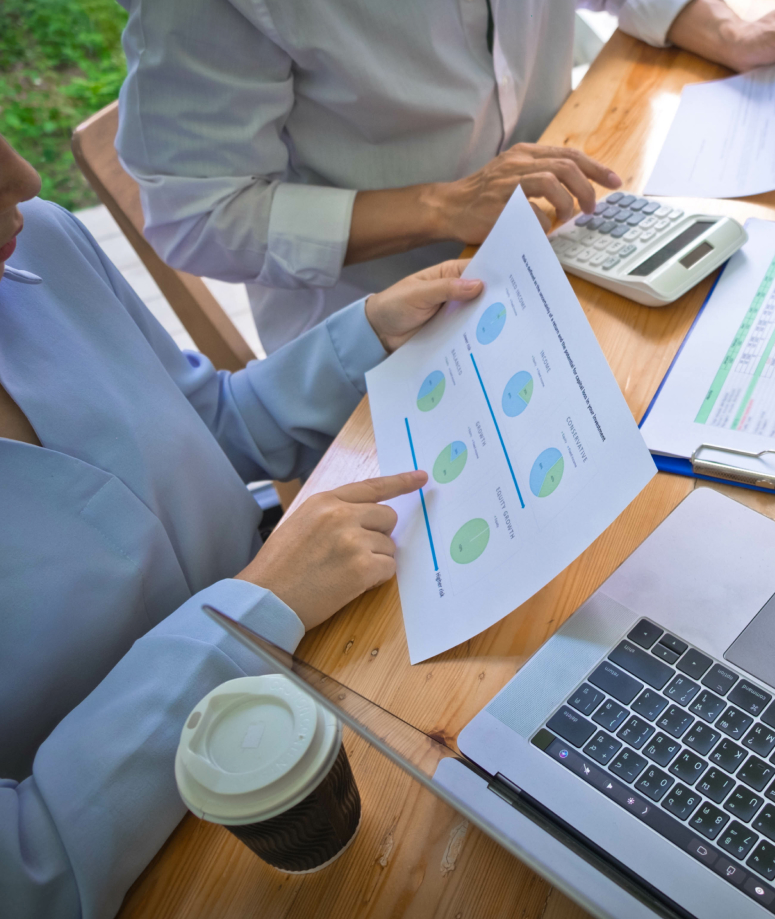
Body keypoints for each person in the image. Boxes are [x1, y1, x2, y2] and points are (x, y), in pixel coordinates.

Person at [0, 130, 485, 918]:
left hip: (330, 654)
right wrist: (254, 608)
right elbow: (30, 875)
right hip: (194, 854)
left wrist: (367, 335)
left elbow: (213, 423)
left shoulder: (42, 241)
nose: (24, 177)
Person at [101, 0, 775, 351]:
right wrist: (443, 206)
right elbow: (199, 215)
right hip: (386, 329)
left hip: (571, 241)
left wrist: (726, 29)